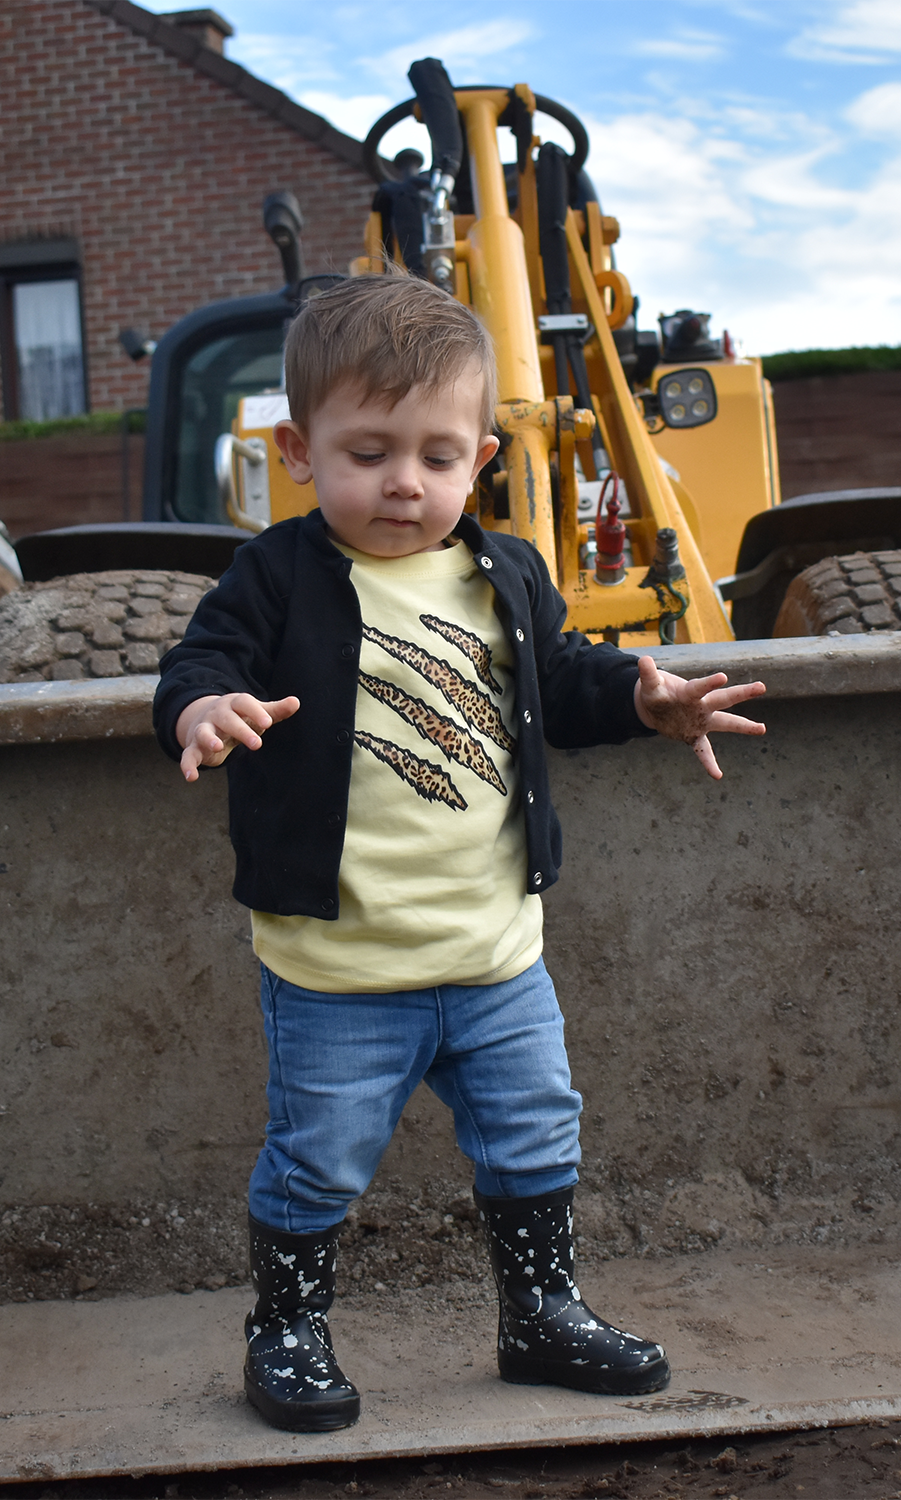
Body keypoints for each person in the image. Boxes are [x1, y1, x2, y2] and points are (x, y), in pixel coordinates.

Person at [153, 274, 767, 1434]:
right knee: (320, 1159)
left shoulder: (510, 573)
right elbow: (199, 663)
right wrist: (201, 712)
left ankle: (541, 1316)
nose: (404, 482)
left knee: (538, 1129)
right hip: (341, 968)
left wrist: (648, 704)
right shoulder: (276, 576)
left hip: (496, 955)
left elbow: (569, 685)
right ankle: (284, 1333)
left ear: (480, 458)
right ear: (298, 448)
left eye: (437, 456)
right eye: (369, 451)